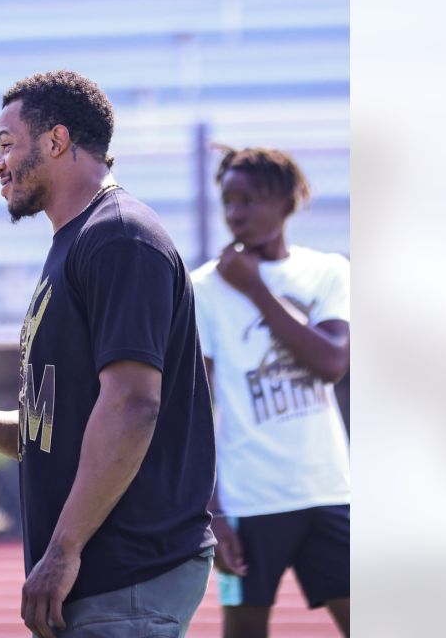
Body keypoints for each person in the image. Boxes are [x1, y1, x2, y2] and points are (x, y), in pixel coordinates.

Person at [0, 70, 216, 637]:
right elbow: (59, 429)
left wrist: (64, 550)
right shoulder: (80, 240)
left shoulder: (119, 237)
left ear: (56, 141)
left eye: (5, 144)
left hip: (126, 573)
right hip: (106, 579)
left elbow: (131, 407)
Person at [190, 146, 350, 637]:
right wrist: (212, 511)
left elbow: (331, 363)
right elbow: (194, 411)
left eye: (250, 200)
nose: (235, 214)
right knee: (243, 632)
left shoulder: (327, 272)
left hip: (329, 494)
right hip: (247, 505)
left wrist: (257, 289)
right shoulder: (204, 289)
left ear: (286, 201)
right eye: (228, 201)